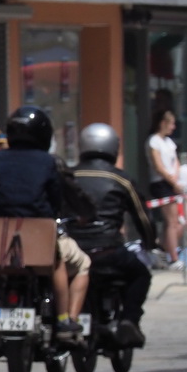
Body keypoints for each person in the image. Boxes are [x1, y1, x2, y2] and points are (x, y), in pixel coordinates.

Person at [0, 105, 87, 349]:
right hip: (37, 228)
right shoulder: (47, 161)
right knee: (55, 263)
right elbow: (55, 198)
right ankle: (64, 319)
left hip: (0, 230)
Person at [66, 122, 155, 348]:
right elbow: (142, 217)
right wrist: (150, 241)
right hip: (108, 250)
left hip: (73, 251)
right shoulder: (121, 179)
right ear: (113, 147)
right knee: (141, 274)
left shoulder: (68, 176)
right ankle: (129, 320)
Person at [148, 108, 186, 266]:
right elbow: (159, 166)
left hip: (172, 183)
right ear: (163, 123)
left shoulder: (169, 142)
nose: (173, 127)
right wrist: (172, 181)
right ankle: (173, 258)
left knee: (180, 221)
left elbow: (175, 161)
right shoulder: (153, 141)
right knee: (171, 221)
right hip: (161, 183)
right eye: (171, 123)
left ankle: (163, 247)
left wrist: (176, 178)